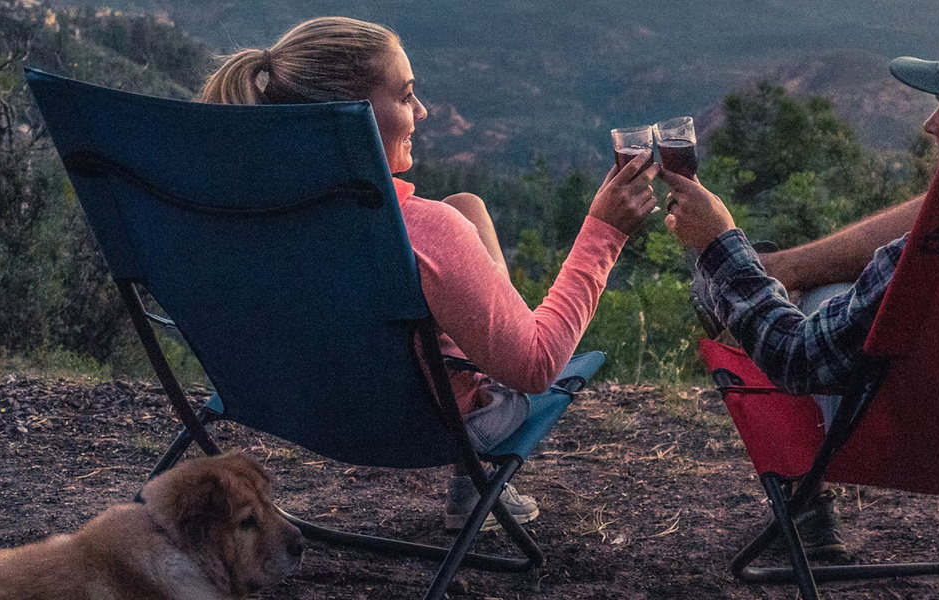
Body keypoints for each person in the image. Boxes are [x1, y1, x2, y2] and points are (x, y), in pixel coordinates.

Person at [197, 17, 659, 532]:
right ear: (350, 115)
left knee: (468, 206)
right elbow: (536, 366)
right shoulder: (425, 235)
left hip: (290, 404)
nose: (422, 111)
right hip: (420, 424)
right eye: (406, 95)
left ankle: (492, 337)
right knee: (515, 345)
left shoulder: (234, 211)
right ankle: (475, 466)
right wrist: (605, 231)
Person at [663, 19, 939, 561]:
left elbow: (797, 358)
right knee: (811, 284)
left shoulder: (936, 256)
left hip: (910, 440)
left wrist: (721, 246)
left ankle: (805, 497)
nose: (930, 126)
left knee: (793, 296)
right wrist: (782, 267)